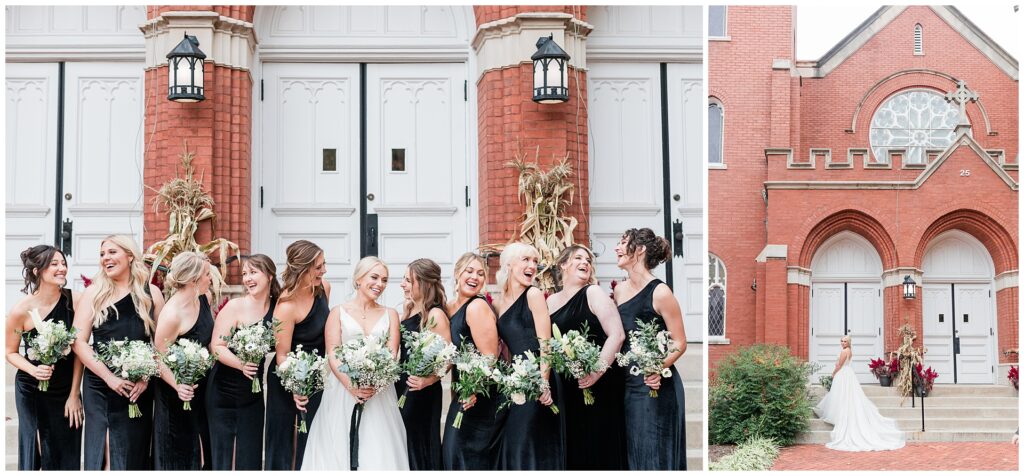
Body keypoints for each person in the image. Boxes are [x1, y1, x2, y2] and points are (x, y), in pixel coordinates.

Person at [301, 256, 408, 470]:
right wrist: (351, 385)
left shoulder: (391, 314)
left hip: (379, 393)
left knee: (378, 450)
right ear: (358, 279)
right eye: (374, 277)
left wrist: (373, 385)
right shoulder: (338, 312)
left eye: (384, 280)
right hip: (342, 390)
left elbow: (392, 354)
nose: (380, 284)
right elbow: (332, 352)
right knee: (337, 449)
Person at [73, 234, 165, 470]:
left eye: (112, 252)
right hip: (100, 385)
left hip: (138, 387)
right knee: (105, 451)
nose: (106, 258)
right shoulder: (94, 293)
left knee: (133, 450)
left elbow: (161, 343)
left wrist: (146, 377)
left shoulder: (151, 293)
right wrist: (108, 377)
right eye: (102, 254)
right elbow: (79, 342)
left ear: (130, 255)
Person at [547, 245, 628, 469]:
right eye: (578, 258)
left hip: (600, 383)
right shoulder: (550, 302)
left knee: (599, 447)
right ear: (563, 264)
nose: (585, 263)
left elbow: (617, 335)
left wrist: (596, 372)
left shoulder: (593, 293)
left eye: (588, 260)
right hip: (568, 387)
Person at [613, 228, 687, 470]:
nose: (617, 248)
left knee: (655, 454)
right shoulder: (619, 290)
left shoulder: (661, 292)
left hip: (655, 387)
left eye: (623, 243)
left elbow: (679, 342)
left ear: (640, 250)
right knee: (633, 453)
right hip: (627, 384)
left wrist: (656, 368)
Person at [6, 245, 83, 469]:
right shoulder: (21, 310)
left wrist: (74, 394)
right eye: (54, 264)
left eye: (63, 263)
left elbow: (80, 351)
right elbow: (10, 352)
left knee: (66, 448)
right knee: (36, 447)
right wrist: (33, 370)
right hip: (32, 388)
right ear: (37, 271)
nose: (62, 269)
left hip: (65, 387)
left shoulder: (74, 301)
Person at [493, 242, 565, 470]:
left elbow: (546, 343)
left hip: (538, 376)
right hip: (516, 378)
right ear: (509, 265)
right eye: (526, 260)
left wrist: (543, 382)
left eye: (535, 261)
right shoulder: (497, 303)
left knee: (529, 439)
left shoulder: (533, 294)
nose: (532, 266)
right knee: (515, 440)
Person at [206, 254, 280, 469]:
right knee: (224, 452)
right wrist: (241, 364)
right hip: (223, 390)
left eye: (253, 272)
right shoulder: (235, 307)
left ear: (270, 276)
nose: (247, 278)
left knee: (250, 451)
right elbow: (217, 347)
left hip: (252, 394)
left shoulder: (279, 309)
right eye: (245, 274)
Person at [265, 240, 331, 470]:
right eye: (318, 267)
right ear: (301, 269)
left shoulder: (324, 289)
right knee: (282, 438)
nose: (324, 271)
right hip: (287, 378)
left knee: (313, 436)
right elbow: (282, 355)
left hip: (316, 376)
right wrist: (296, 386)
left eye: (324, 265)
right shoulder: (285, 306)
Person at [152, 252, 215, 470]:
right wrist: (179, 385)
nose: (211, 279)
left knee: (203, 453)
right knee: (178, 451)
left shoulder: (204, 299)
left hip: (201, 389)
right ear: (193, 279)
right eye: (207, 274)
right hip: (175, 393)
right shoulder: (172, 314)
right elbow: (157, 357)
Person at [441, 252, 505, 470]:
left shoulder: (477, 307)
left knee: (461, 452)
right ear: (457, 273)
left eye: (480, 274)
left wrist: (473, 389)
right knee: (453, 452)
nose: (475, 277)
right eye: (469, 271)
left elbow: (490, 356)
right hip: (463, 390)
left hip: (482, 394)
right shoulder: (449, 307)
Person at [395, 258, 450, 470]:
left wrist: (427, 380)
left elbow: (447, 358)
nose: (403, 284)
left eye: (408, 280)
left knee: (419, 442)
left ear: (424, 283)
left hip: (422, 391)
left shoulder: (435, 315)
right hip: (403, 385)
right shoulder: (408, 310)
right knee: (403, 440)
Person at [814, 335, 906, 451]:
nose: (842, 343)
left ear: (848, 342)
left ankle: (840, 416)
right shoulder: (850, 351)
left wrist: (833, 374)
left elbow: (839, 365)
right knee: (846, 395)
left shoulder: (844, 351)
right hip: (848, 373)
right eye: (841, 341)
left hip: (842, 374)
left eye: (845, 341)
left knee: (841, 395)